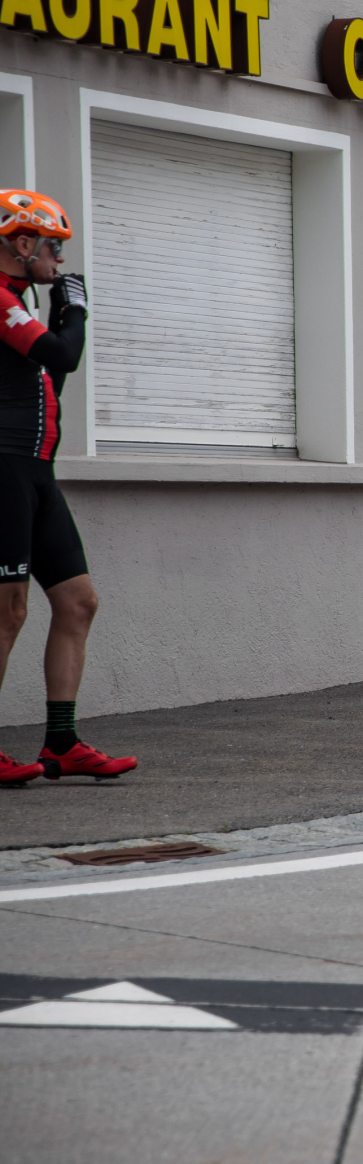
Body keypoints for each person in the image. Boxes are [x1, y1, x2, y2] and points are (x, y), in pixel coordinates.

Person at [0, 190, 133, 786]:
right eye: (53, 247)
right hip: (2, 469)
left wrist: (56, 315)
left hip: (37, 471)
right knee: (7, 612)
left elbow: (49, 371)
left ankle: (61, 742)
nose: (59, 262)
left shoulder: (20, 301)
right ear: (22, 243)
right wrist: (75, 310)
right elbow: (64, 355)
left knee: (79, 602)